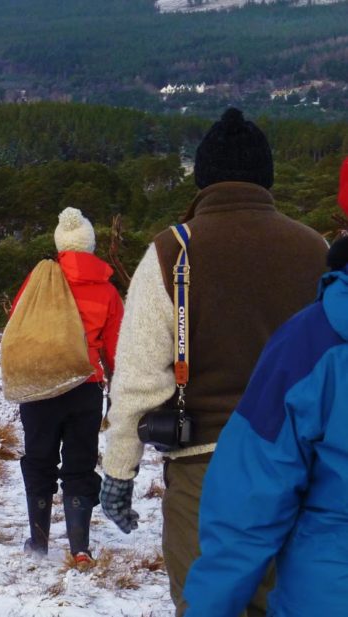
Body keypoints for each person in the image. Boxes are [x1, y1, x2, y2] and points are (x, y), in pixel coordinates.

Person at [98, 108, 328, 617]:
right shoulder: (316, 250)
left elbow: (137, 381)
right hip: (304, 469)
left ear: (203, 179)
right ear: (265, 178)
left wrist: (119, 471)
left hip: (206, 469)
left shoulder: (171, 252)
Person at [181, 161, 348, 616]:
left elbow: (247, 511)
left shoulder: (173, 249)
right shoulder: (308, 243)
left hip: (327, 589)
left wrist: (119, 460)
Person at [11, 206, 123, 564]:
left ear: (60, 244)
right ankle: (79, 548)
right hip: (86, 387)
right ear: (89, 245)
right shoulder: (107, 291)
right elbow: (116, 346)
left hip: (41, 387)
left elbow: (18, 319)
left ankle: (40, 543)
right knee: (79, 464)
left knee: (40, 462)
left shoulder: (41, 280)